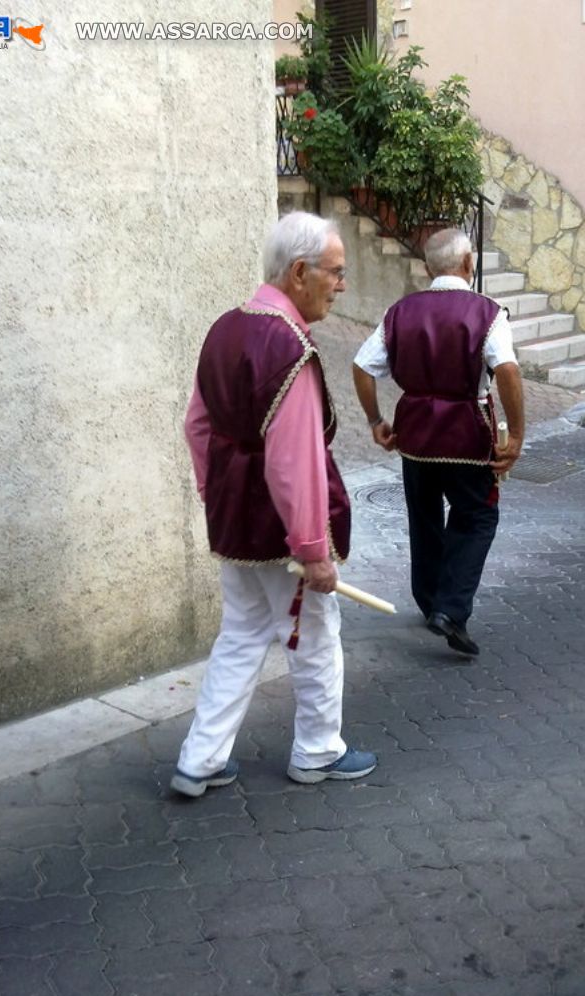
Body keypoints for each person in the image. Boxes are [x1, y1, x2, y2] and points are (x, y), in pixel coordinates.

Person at [171, 212, 377, 797]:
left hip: (237, 516)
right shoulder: (287, 346)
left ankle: (201, 760)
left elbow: (197, 426)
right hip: (280, 527)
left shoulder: (225, 328)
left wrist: (218, 496)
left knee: (240, 632)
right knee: (313, 632)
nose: (341, 285)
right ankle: (317, 750)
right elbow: (294, 462)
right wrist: (313, 550)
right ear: (299, 272)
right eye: (335, 273)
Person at [352, 228, 524, 657]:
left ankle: (430, 600)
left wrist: (375, 420)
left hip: (415, 434)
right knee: (478, 516)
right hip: (467, 432)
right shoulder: (486, 313)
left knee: (424, 517)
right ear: (469, 264)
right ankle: (450, 608)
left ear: (429, 268)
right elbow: (507, 371)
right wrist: (517, 434)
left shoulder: (400, 311)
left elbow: (361, 365)